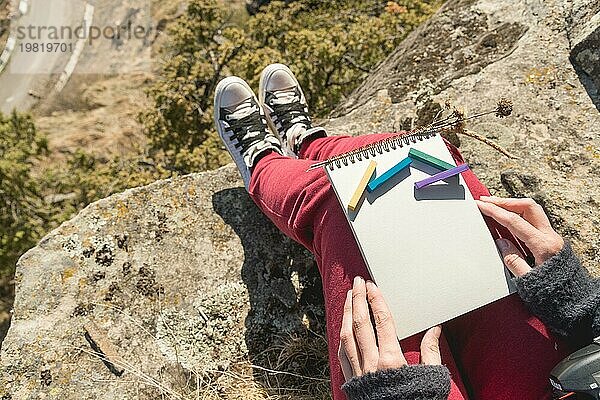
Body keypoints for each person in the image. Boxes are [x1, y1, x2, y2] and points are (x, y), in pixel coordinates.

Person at [213, 63, 593, 399]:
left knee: (345, 206)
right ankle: (309, 142)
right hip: (573, 370)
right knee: (420, 160)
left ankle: (261, 162)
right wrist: (587, 312)